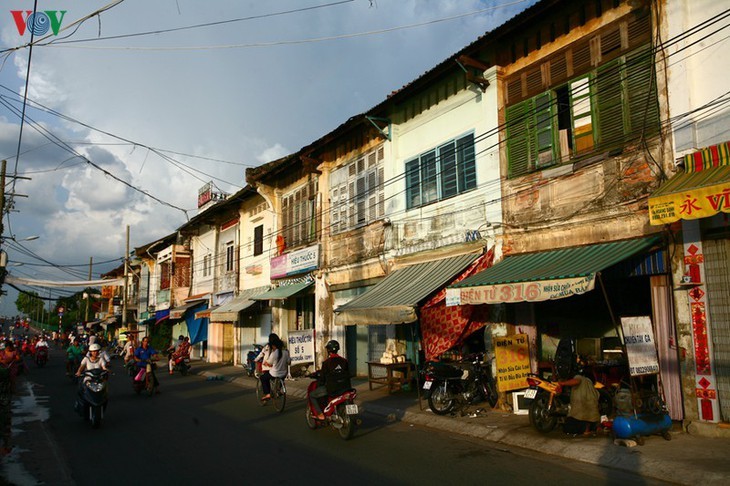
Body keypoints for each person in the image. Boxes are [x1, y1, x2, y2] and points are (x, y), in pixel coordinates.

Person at [308, 340, 351, 420]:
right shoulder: (344, 361)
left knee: (312, 395)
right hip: (345, 388)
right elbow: (348, 374)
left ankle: (320, 414)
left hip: (332, 389)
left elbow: (322, 379)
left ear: (328, 350)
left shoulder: (327, 363)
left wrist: (319, 384)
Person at [555, 372, 601, 436]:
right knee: (588, 419)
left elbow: (576, 381)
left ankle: (585, 429)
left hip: (580, 417)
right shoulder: (593, 389)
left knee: (567, 428)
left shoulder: (581, 378)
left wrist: (562, 383)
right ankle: (591, 428)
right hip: (593, 419)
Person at [260, 336, 290, 400]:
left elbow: (269, 363)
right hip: (283, 374)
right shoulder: (286, 352)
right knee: (281, 378)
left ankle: (268, 393)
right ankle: (278, 390)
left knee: (263, 378)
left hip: (274, 373)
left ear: (274, 346)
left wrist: (265, 363)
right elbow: (289, 362)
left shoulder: (274, 353)